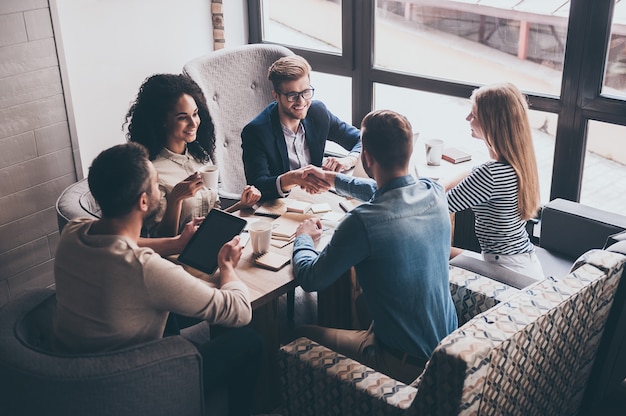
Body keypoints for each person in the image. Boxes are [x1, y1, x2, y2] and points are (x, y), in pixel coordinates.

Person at [53, 143, 262, 416]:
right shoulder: (145, 269)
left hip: (80, 373)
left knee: (181, 312)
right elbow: (239, 311)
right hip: (130, 386)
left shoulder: (74, 232)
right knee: (248, 339)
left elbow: (126, 241)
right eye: (155, 184)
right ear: (143, 201)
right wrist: (226, 267)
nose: (159, 188)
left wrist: (176, 243)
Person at [290, 109, 458, 384]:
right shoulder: (433, 191)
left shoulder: (361, 222)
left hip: (406, 366)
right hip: (448, 351)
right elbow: (388, 192)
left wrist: (304, 237)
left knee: (296, 333)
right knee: (361, 303)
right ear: (409, 150)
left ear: (366, 158)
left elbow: (310, 279)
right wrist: (333, 179)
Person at [124, 73, 261, 237]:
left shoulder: (200, 156)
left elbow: (210, 220)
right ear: (162, 121)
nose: (193, 123)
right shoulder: (152, 172)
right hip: (178, 257)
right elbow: (159, 241)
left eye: (195, 114)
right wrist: (175, 199)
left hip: (211, 242)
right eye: (183, 117)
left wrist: (241, 205)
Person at [444, 82, 544, 280]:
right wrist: (445, 183)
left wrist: (438, 186)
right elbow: (470, 171)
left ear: (491, 123)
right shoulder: (518, 163)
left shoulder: (490, 174)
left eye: (473, 115)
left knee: (434, 251)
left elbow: (440, 205)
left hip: (507, 274)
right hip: (524, 263)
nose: (467, 118)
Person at [241, 54, 362, 200]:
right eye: (292, 95)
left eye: (306, 92)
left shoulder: (318, 112)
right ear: (276, 96)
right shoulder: (256, 132)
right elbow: (257, 186)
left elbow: (362, 139)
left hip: (318, 198)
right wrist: (292, 178)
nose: (301, 102)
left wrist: (347, 160)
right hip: (281, 206)